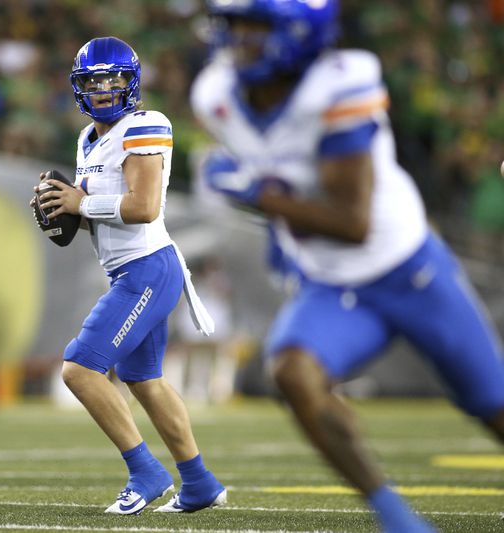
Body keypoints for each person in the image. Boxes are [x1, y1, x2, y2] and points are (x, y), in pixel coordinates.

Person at [191, 1, 504, 532]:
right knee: (293, 372)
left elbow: (352, 223)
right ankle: (398, 520)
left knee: (491, 404)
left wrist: (259, 198)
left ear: (297, 31)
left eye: (256, 29)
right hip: (333, 282)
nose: (240, 42)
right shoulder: (217, 94)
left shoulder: (340, 85)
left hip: (408, 271)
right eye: (235, 27)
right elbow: (279, 175)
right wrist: (277, 226)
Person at [34, 36, 225, 515]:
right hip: (129, 272)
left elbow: (143, 207)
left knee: (80, 368)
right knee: (145, 382)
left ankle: (145, 470)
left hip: (147, 269)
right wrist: (63, 208)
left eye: (112, 80)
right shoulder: (87, 138)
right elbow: (94, 211)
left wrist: (81, 202)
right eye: (93, 82)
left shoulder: (146, 124)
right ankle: (199, 483)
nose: (102, 90)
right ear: (79, 88)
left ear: (131, 83)